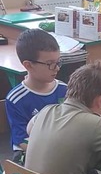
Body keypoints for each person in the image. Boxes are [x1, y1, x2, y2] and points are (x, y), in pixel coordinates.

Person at [5, 29, 68, 162]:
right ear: (28, 65)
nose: (57, 68)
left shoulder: (64, 89)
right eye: (50, 64)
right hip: (29, 153)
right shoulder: (16, 99)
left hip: (61, 147)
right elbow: (22, 140)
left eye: (58, 62)